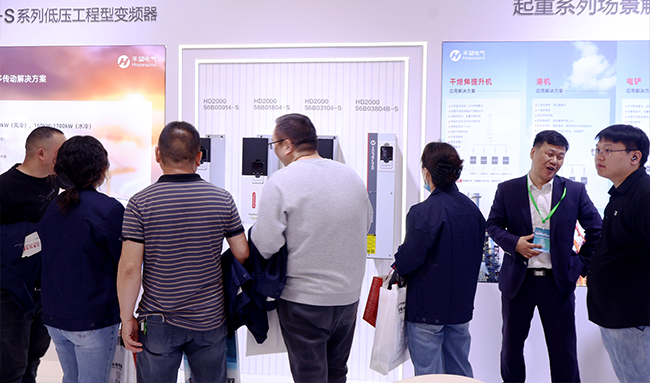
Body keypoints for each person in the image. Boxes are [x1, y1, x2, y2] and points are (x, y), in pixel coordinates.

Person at [117, 121, 249, 383]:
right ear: (199, 157)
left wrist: (127, 317)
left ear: (157, 154)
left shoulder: (140, 203)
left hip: (158, 320)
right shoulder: (222, 199)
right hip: (210, 318)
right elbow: (242, 253)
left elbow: (130, 269)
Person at [251, 113, 372, 383]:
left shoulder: (281, 181)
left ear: (287, 145)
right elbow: (365, 224)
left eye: (274, 145)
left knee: (310, 377)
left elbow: (266, 244)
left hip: (304, 300)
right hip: (347, 298)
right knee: (337, 372)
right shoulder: (350, 175)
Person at [486, 130, 602, 382]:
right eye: (550, 154)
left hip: (557, 282)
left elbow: (597, 230)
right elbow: (493, 225)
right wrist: (514, 243)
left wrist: (579, 265)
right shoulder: (508, 189)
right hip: (519, 282)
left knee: (564, 352)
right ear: (533, 152)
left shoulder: (573, 191)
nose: (554, 161)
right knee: (511, 350)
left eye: (560, 156)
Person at [393, 142, 486, 377]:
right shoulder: (473, 211)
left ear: (427, 172)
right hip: (460, 308)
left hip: (426, 310)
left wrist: (398, 259)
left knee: (429, 375)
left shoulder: (422, 212)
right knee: (460, 371)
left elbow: (408, 261)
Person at [37, 136, 123, 383]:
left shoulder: (53, 207)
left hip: (54, 316)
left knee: (70, 378)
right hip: (93, 318)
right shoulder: (109, 210)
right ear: (101, 169)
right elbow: (125, 266)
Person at [0, 126, 65, 383]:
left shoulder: (55, 182)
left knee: (34, 356)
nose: (66, 158)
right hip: (10, 291)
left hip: (43, 288)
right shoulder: (5, 187)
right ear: (41, 153)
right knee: (11, 364)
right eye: (60, 153)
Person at [587, 124, 650, 382]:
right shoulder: (621, 193)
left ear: (635, 157)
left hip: (634, 317)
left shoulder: (644, 195)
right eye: (597, 150)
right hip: (616, 314)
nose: (599, 156)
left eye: (608, 150)